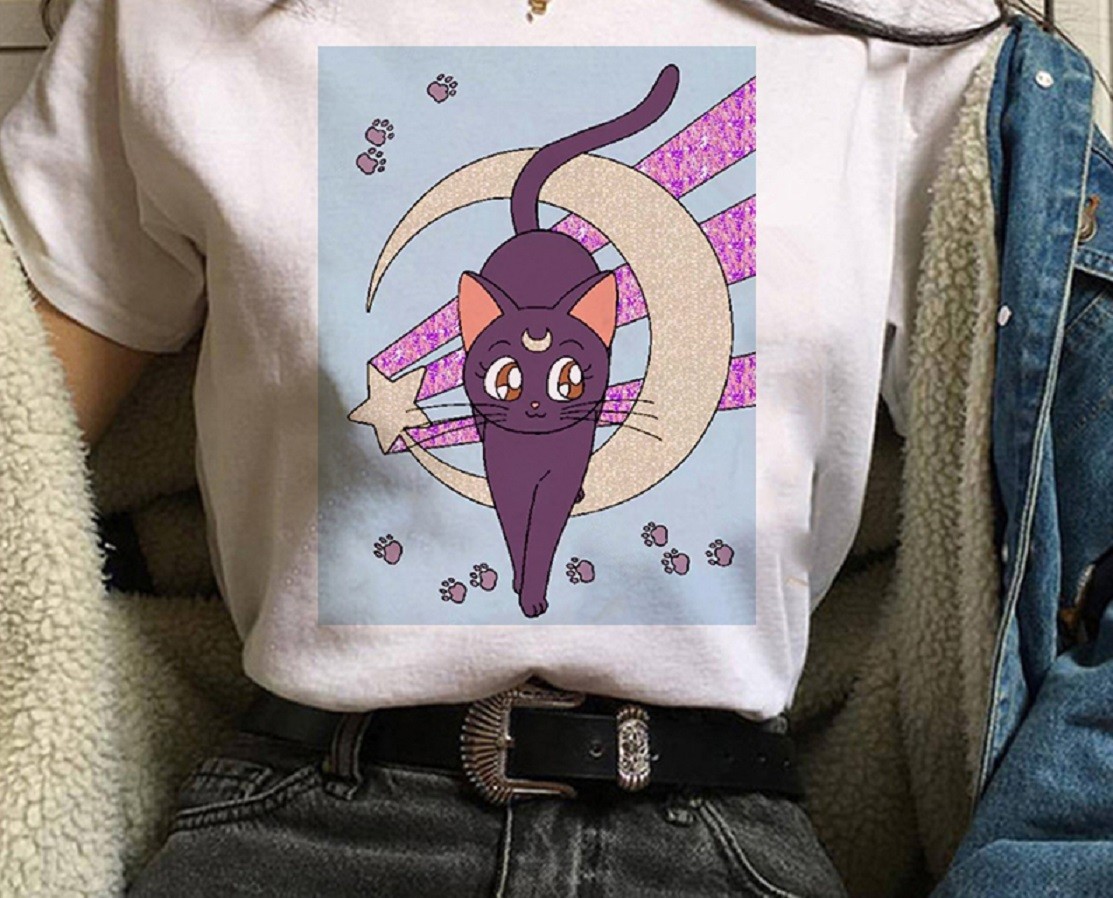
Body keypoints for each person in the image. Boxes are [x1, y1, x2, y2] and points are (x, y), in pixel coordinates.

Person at [0, 1, 1009, 894]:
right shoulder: (183, 18)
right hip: (316, 815)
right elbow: (24, 439)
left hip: (713, 824)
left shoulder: (907, 34)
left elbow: (1030, 513)